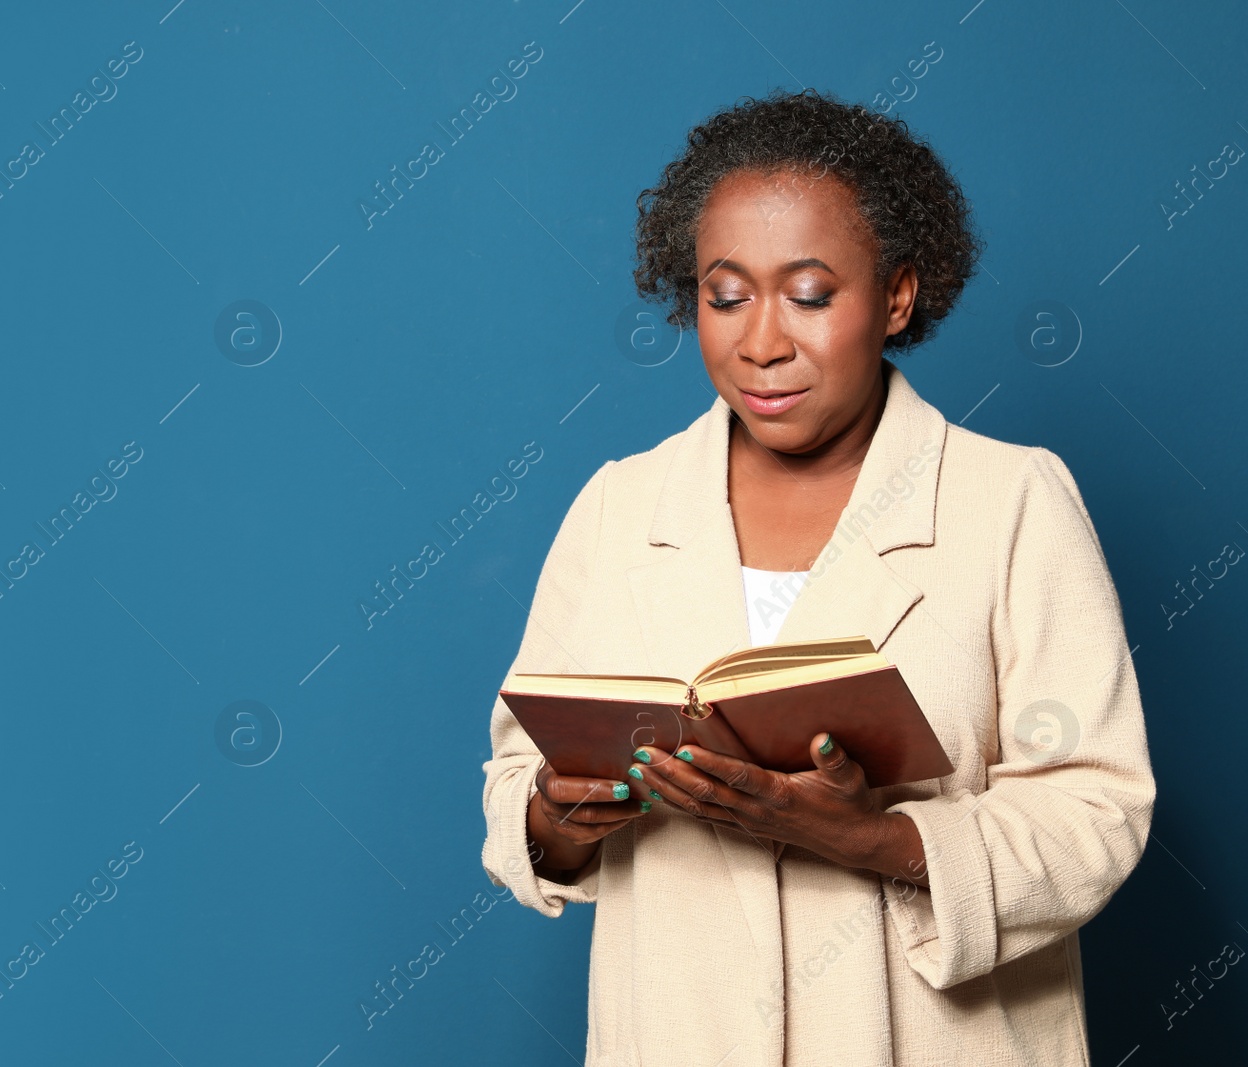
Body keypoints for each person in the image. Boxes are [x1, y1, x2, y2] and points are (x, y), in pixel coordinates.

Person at [480, 88, 1155, 1066]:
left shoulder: (1010, 501)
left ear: (894, 295)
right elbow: (515, 780)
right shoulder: (619, 507)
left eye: (808, 293)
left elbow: (1098, 806)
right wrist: (556, 812)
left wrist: (875, 837)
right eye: (725, 293)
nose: (760, 341)